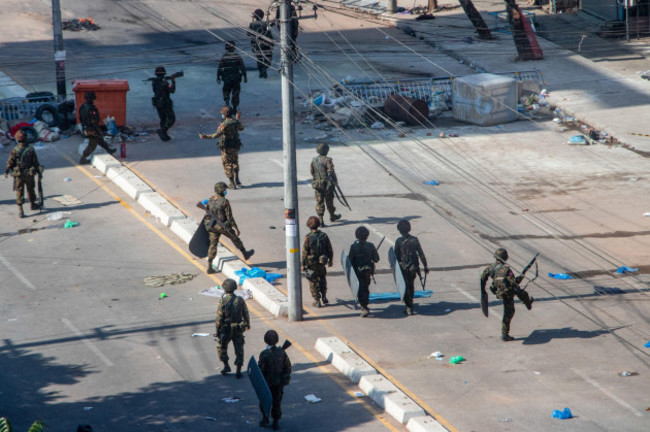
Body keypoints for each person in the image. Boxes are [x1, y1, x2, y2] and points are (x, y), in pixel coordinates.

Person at [480, 248, 534, 341]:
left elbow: (482, 278)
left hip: (498, 291)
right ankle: (505, 334)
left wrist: (483, 291)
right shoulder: (506, 270)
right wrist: (521, 276)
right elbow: (514, 283)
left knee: (516, 297)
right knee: (509, 312)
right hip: (507, 293)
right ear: (505, 258)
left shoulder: (490, 267)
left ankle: (527, 302)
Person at [202, 182, 254, 274]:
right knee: (234, 238)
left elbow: (207, 214)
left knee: (213, 245)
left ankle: (209, 266)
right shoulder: (224, 201)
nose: (225, 191)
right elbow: (229, 216)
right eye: (224, 190)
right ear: (221, 191)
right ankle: (245, 253)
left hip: (212, 226)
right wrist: (236, 228)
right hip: (222, 226)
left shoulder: (210, 200)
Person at [199, 106, 244, 189]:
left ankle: (232, 183)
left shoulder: (224, 124)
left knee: (227, 163)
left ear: (224, 114)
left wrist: (205, 136)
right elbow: (241, 128)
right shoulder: (235, 122)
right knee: (235, 161)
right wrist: (238, 119)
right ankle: (237, 177)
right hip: (235, 145)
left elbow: (216, 135)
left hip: (226, 147)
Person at [4, 129, 43, 218]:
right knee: (30, 190)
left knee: (19, 191)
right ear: (26, 139)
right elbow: (35, 162)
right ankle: (33, 204)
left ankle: (21, 211)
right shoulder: (30, 149)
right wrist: (39, 172)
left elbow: (10, 162)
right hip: (29, 173)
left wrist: (6, 171)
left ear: (17, 139)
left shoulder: (15, 150)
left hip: (18, 175)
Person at [215, 278, 250, 377]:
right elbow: (246, 313)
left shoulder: (223, 301)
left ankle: (226, 366)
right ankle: (238, 370)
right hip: (238, 329)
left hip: (226, 329)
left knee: (221, 347)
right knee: (239, 349)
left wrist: (217, 331)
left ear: (225, 289)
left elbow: (218, 318)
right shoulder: (240, 300)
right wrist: (248, 324)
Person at [258, 330, 291, 430]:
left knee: (264, 402)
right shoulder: (282, 353)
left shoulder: (264, 354)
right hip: (279, 383)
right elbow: (288, 368)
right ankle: (275, 422)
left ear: (265, 340)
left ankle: (265, 419)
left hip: (267, 383)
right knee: (277, 403)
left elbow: (260, 369)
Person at [394, 219, 429, 315]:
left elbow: (395, 256)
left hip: (403, 268)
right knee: (411, 285)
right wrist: (425, 266)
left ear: (399, 229)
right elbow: (421, 253)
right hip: (413, 268)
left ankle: (408, 306)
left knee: (405, 286)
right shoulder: (415, 240)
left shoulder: (398, 241)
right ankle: (410, 303)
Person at [301, 216, 332, 308]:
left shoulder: (308, 238)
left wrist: (302, 265)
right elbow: (329, 249)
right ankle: (324, 296)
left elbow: (304, 253)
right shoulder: (324, 236)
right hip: (322, 263)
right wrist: (331, 260)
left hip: (311, 264)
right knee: (322, 278)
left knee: (313, 281)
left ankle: (317, 300)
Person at [349, 226, 380, 317]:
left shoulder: (353, 246)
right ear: (367, 235)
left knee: (360, 288)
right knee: (365, 288)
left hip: (357, 271)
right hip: (367, 271)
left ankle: (363, 306)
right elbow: (377, 259)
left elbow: (350, 260)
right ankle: (365, 305)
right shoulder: (370, 245)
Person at [78, 91, 116, 164]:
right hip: (90, 129)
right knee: (92, 144)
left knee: (100, 140)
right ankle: (83, 158)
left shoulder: (86, 107)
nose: (92, 100)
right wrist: (95, 129)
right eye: (91, 99)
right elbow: (90, 121)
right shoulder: (87, 108)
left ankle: (109, 150)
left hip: (91, 127)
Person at [310, 143, 341, 227]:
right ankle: (332, 216)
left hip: (318, 185)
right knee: (329, 201)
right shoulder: (328, 160)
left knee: (320, 202)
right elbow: (331, 172)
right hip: (327, 185)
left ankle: (321, 220)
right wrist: (335, 181)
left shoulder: (314, 160)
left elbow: (312, 172)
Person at [217, 41, 247, 113]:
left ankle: (227, 105)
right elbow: (242, 68)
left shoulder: (224, 57)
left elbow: (220, 68)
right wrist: (245, 77)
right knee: (235, 92)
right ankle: (234, 107)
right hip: (235, 78)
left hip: (227, 78)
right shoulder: (237, 56)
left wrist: (218, 76)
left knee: (226, 91)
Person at [151, 65, 176, 141]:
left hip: (157, 102)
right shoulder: (164, 82)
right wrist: (173, 81)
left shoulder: (154, 81)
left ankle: (164, 136)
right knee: (171, 118)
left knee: (163, 119)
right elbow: (172, 90)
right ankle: (162, 131)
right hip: (165, 102)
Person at [248, 9, 274, 79]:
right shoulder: (265, 24)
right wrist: (272, 43)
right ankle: (264, 70)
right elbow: (269, 33)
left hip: (256, 45)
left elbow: (248, 34)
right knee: (268, 59)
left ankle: (262, 72)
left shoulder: (252, 24)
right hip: (266, 44)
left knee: (259, 59)